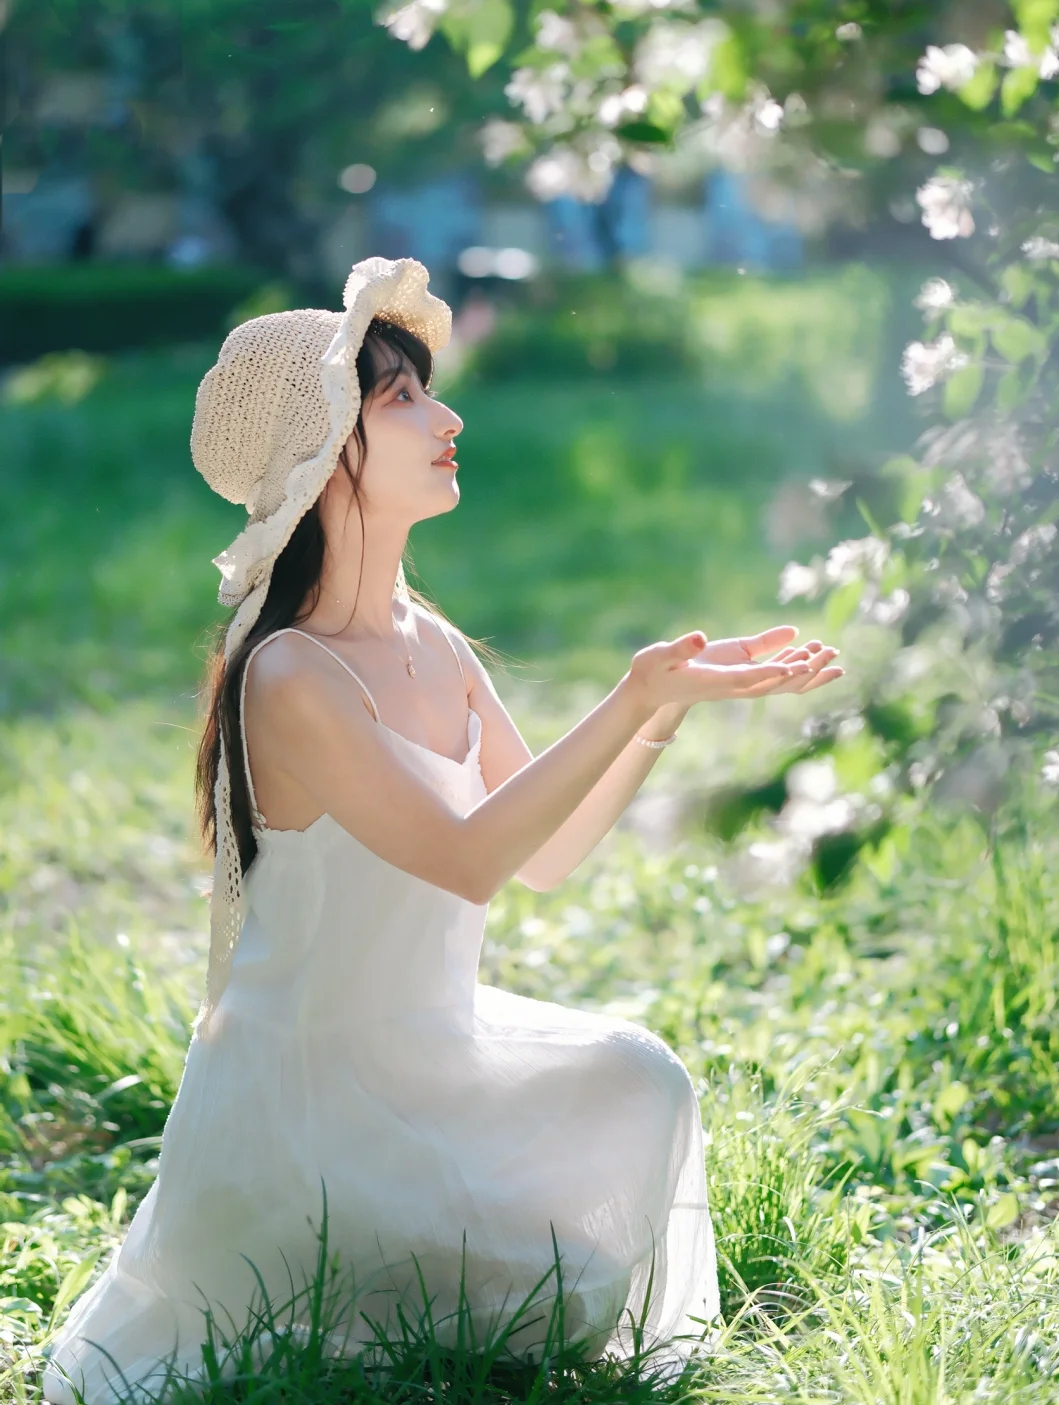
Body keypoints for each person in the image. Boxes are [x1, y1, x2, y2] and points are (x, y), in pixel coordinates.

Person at [42, 256, 843, 1404]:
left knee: (640, 1084)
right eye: (400, 399)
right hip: (309, 1114)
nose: (446, 415)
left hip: (433, 1060)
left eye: (427, 390)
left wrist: (662, 709)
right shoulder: (291, 675)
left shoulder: (436, 641)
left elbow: (548, 857)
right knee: (471, 1292)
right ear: (323, 453)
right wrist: (625, 694)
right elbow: (471, 859)